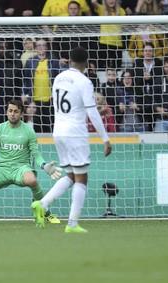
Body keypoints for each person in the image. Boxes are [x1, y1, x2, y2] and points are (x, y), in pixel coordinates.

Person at [31, 47, 112, 233]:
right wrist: (105, 138)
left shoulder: (59, 77)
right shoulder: (84, 81)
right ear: (85, 62)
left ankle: (42, 204)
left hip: (59, 131)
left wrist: (96, 112)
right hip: (76, 133)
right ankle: (72, 224)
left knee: (71, 175)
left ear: (69, 60)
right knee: (82, 178)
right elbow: (89, 110)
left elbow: (71, 108)